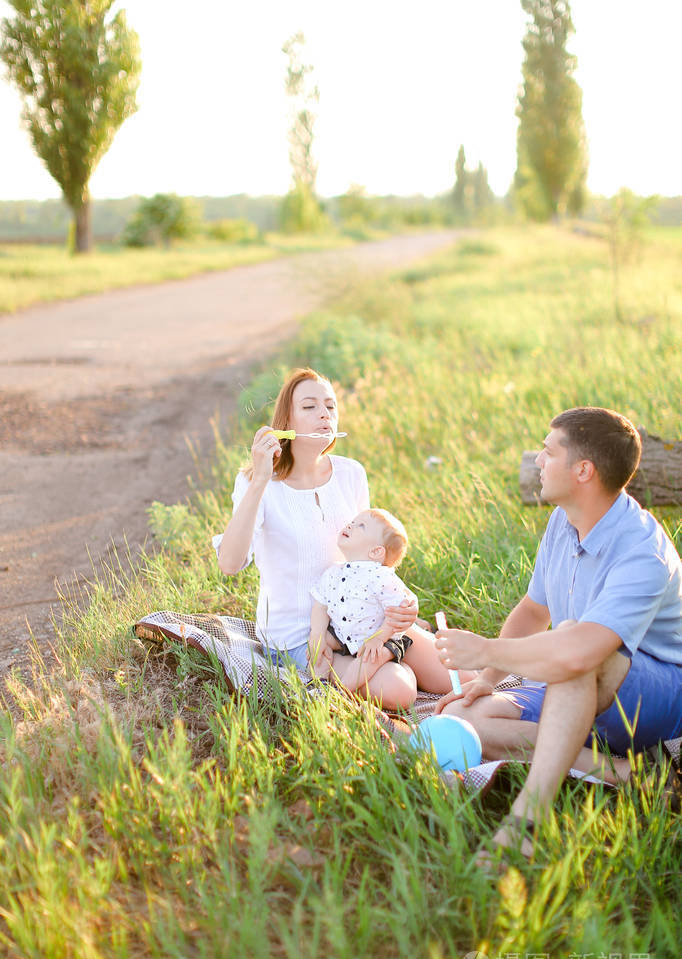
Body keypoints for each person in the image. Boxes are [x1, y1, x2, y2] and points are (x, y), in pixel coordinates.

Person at [434, 407, 682, 860]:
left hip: (658, 693)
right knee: (468, 722)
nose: (538, 462)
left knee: (574, 646)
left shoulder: (644, 552)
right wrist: (487, 677)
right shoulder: (562, 523)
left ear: (582, 470)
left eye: (548, 452)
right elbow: (532, 611)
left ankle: (524, 824)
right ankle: (626, 775)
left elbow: (579, 651)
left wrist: (487, 649)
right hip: (578, 681)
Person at [215, 367, 458, 708]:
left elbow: (369, 559)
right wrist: (259, 480)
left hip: (361, 617)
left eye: (330, 406)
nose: (324, 414)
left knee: (454, 675)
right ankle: (385, 659)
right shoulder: (259, 484)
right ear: (286, 419)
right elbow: (229, 563)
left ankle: (393, 655)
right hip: (300, 635)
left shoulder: (350, 473)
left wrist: (396, 612)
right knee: (402, 690)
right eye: (310, 406)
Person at [310, 508, 447, 707]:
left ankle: (341, 692)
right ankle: (318, 683)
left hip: (379, 638)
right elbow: (320, 604)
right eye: (354, 521)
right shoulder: (333, 572)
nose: (350, 525)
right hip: (343, 633)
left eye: (361, 526)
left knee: (369, 659)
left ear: (376, 551)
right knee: (318, 646)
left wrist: (379, 638)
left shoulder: (381, 577)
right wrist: (317, 633)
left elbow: (396, 614)